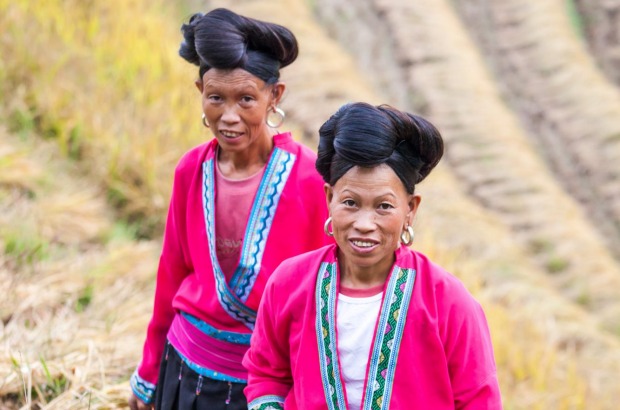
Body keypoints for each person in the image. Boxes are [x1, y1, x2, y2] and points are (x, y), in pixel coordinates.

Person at [128, 8, 331, 410]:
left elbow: (322, 294)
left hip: (266, 385)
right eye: (216, 98)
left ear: (276, 95)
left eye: (247, 99)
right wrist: (149, 372)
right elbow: (172, 272)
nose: (230, 116)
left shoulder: (310, 179)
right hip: (185, 371)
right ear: (200, 89)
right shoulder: (191, 170)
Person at [243, 102, 502, 409]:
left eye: (384, 206)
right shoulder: (289, 283)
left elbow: (478, 400)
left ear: (411, 209)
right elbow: (266, 374)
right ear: (329, 198)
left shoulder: (447, 301)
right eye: (350, 202)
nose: (364, 225)